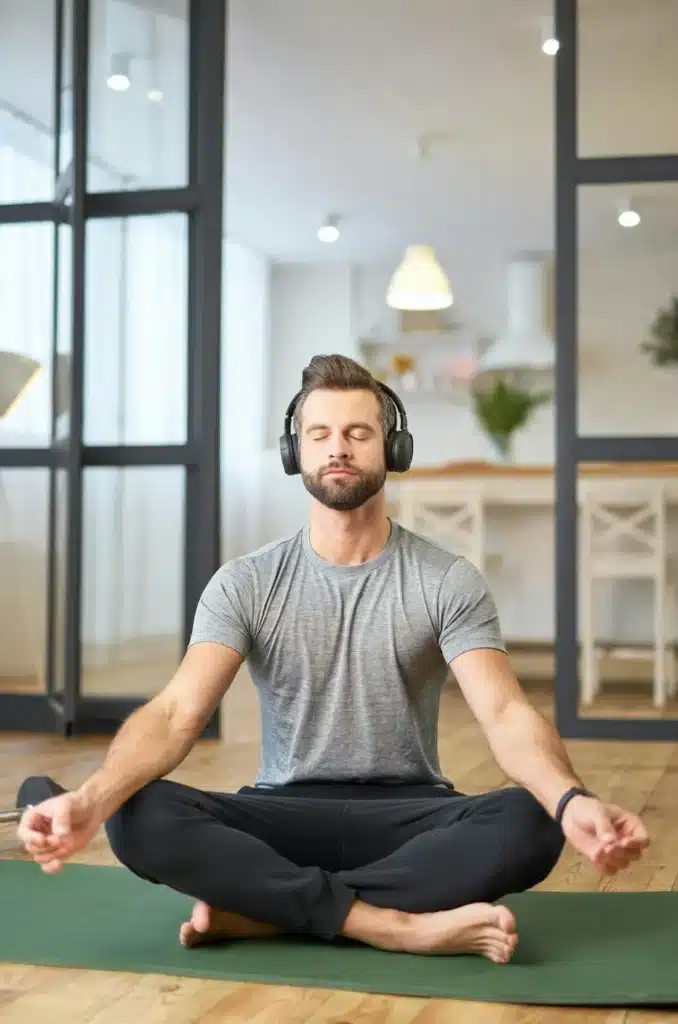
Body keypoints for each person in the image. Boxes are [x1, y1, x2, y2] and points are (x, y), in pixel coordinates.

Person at [18, 354, 649, 964]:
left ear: (392, 450)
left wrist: (570, 801)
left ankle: (271, 908)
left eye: (357, 432)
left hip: (410, 812)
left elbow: (507, 714)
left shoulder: (446, 579)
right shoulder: (246, 582)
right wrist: (92, 800)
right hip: (282, 809)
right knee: (139, 813)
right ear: (296, 453)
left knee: (531, 819)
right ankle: (394, 926)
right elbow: (178, 713)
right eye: (318, 434)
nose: (337, 448)